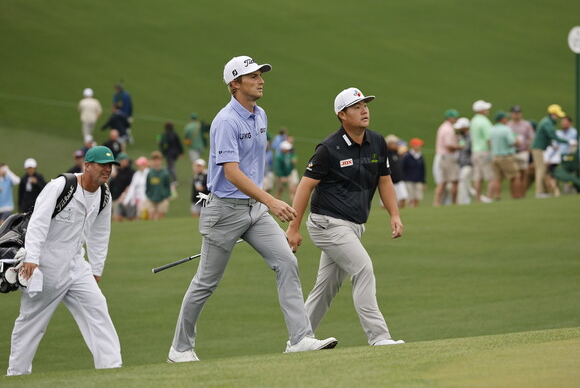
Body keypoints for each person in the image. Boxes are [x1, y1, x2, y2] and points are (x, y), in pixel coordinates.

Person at [168, 55, 337, 363]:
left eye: (261, 75)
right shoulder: (226, 121)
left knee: (286, 262)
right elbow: (231, 172)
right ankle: (180, 348)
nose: (260, 80)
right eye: (252, 76)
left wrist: (263, 203)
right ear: (235, 84)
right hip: (224, 211)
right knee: (206, 282)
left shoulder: (261, 115)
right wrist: (271, 200)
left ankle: (300, 338)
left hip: (255, 211)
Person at [286, 87, 404, 347]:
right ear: (342, 114)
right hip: (327, 224)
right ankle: (380, 337)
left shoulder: (377, 141)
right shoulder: (329, 148)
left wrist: (394, 214)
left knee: (326, 287)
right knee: (363, 269)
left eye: (365, 105)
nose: (364, 110)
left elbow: (384, 180)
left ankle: (298, 340)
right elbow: (305, 186)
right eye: (356, 106)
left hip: (353, 226)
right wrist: (293, 228)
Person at [7, 146, 122, 376]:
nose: (107, 170)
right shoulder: (62, 186)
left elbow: (100, 234)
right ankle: (17, 374)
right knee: (32, 322)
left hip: (77, 264)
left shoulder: (104, 194)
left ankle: (112, 370)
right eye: (102, 165)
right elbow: (38, 220)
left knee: (97, 307)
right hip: (45, 264)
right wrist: (31, 257)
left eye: (110, 166)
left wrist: (96, 269)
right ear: (87, 165)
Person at [531, 104, 570, 198]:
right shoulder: (547, 123)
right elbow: (553, 135)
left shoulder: (547, 122)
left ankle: (544, 191)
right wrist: (567, 142)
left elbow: (547, 137)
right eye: (557, 116)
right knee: (540, 169)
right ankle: (539, 192)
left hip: (540, 148)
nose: (557, 118)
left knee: (543, 169)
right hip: (538, 149)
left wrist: (552, 145)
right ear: (552, 114)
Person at [489, 112, 521, 200]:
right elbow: (511, 142)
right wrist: (518, 142)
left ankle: (497, 196)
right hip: (506, 157)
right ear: (502, 119)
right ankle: (516, 196)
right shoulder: (506, 129)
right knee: (515, 176)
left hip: (495, 156)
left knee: (497, 178)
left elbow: (488, 142)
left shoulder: (492, 129)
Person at [433, 109, 461, 206]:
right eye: (454, 117)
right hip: (448, 157)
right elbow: (449, 145)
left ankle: (436, 202)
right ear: (450, 118)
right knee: (454, 181)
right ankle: (454, 202)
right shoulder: (448, 129)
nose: (456, 119)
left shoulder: (443, 127)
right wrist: (460, 147)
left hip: (442, 157)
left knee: (442, 182)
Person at [507, 105, 535, 197]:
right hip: (512, 152)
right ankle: (514, 196)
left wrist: (528, 149)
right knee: (513, 176)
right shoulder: (508, 125)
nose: (516, 115)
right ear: (511, 114)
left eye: (518, 113)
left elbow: (531, 137)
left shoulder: (526, 124)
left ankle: (521, 195)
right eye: (515, 113)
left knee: (523, 175)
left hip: (523, 151)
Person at [470, 100, 494, 203]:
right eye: (485, 108)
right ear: (481, 110)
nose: (487, 110)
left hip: (475, 152)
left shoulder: (473, 120)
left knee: (478, 177)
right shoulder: (484, 121)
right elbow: (489, 139)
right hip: (484, 151)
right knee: (490, 176)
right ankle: (489, 197)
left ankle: (478, 199)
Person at [145, 151, 171, 220]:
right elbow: (147, 185)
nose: (156, 162)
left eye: (158, 160)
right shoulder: (150, 173)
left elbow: (167, 186)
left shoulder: (165, 173)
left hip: (162, 199)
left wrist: (165, 195)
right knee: (150, 216)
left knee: (160, 217)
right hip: (151, 198)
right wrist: (148, 194)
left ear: (161, 161)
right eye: (154, 160)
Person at [109, 153, 135, 222]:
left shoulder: (131, 172)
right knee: (116, 217)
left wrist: (123, 196)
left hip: (125, 198)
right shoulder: (117, 172)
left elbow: (130, 186)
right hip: (114, 197)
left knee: (129, 217)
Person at [454, 117, 474, 205]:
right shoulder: (462, 137)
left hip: (468, 164)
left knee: (463, 181)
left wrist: (459, 145)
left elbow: (467, 148)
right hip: (461, 164)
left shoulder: (470, 137)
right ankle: (467, 200)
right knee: (466, 184)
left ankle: (462, 202)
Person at [159, 122, 184, 186]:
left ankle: (174, 180)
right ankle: (170, 179)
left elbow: (162, 144)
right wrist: (181, 152)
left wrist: (162, 153)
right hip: (175, 153)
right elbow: (179, 143)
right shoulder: (175, 134)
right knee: (171, 166)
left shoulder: (164, 135)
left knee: (170, 166)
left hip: (169, 153)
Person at [403, 138, 426, 207]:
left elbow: (423, 170)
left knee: (418, 197)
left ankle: (416, 208)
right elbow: (403, 168)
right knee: (411, 197)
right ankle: (411, 208)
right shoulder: (407, 156)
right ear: (413, 146)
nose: (419, 147)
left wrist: (423, 182)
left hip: (418, 180)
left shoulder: (420, 156)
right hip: (408, 180)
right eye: (418, 145)